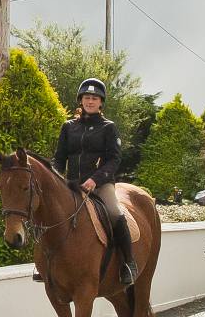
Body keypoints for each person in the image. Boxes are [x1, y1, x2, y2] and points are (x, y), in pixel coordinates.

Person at [49, 77, 138, 286]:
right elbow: (59, 158)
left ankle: (128, 263)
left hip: (100, 184)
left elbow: (114, 159)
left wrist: (94, 180)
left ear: (101, 102)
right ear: (81, 100)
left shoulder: (108, 128)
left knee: (115, 212)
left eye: (95, 98)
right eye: (87, 98)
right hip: (71, 185)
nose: (90, 101)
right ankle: (44, 263)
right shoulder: (68, 127)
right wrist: (55, 179)